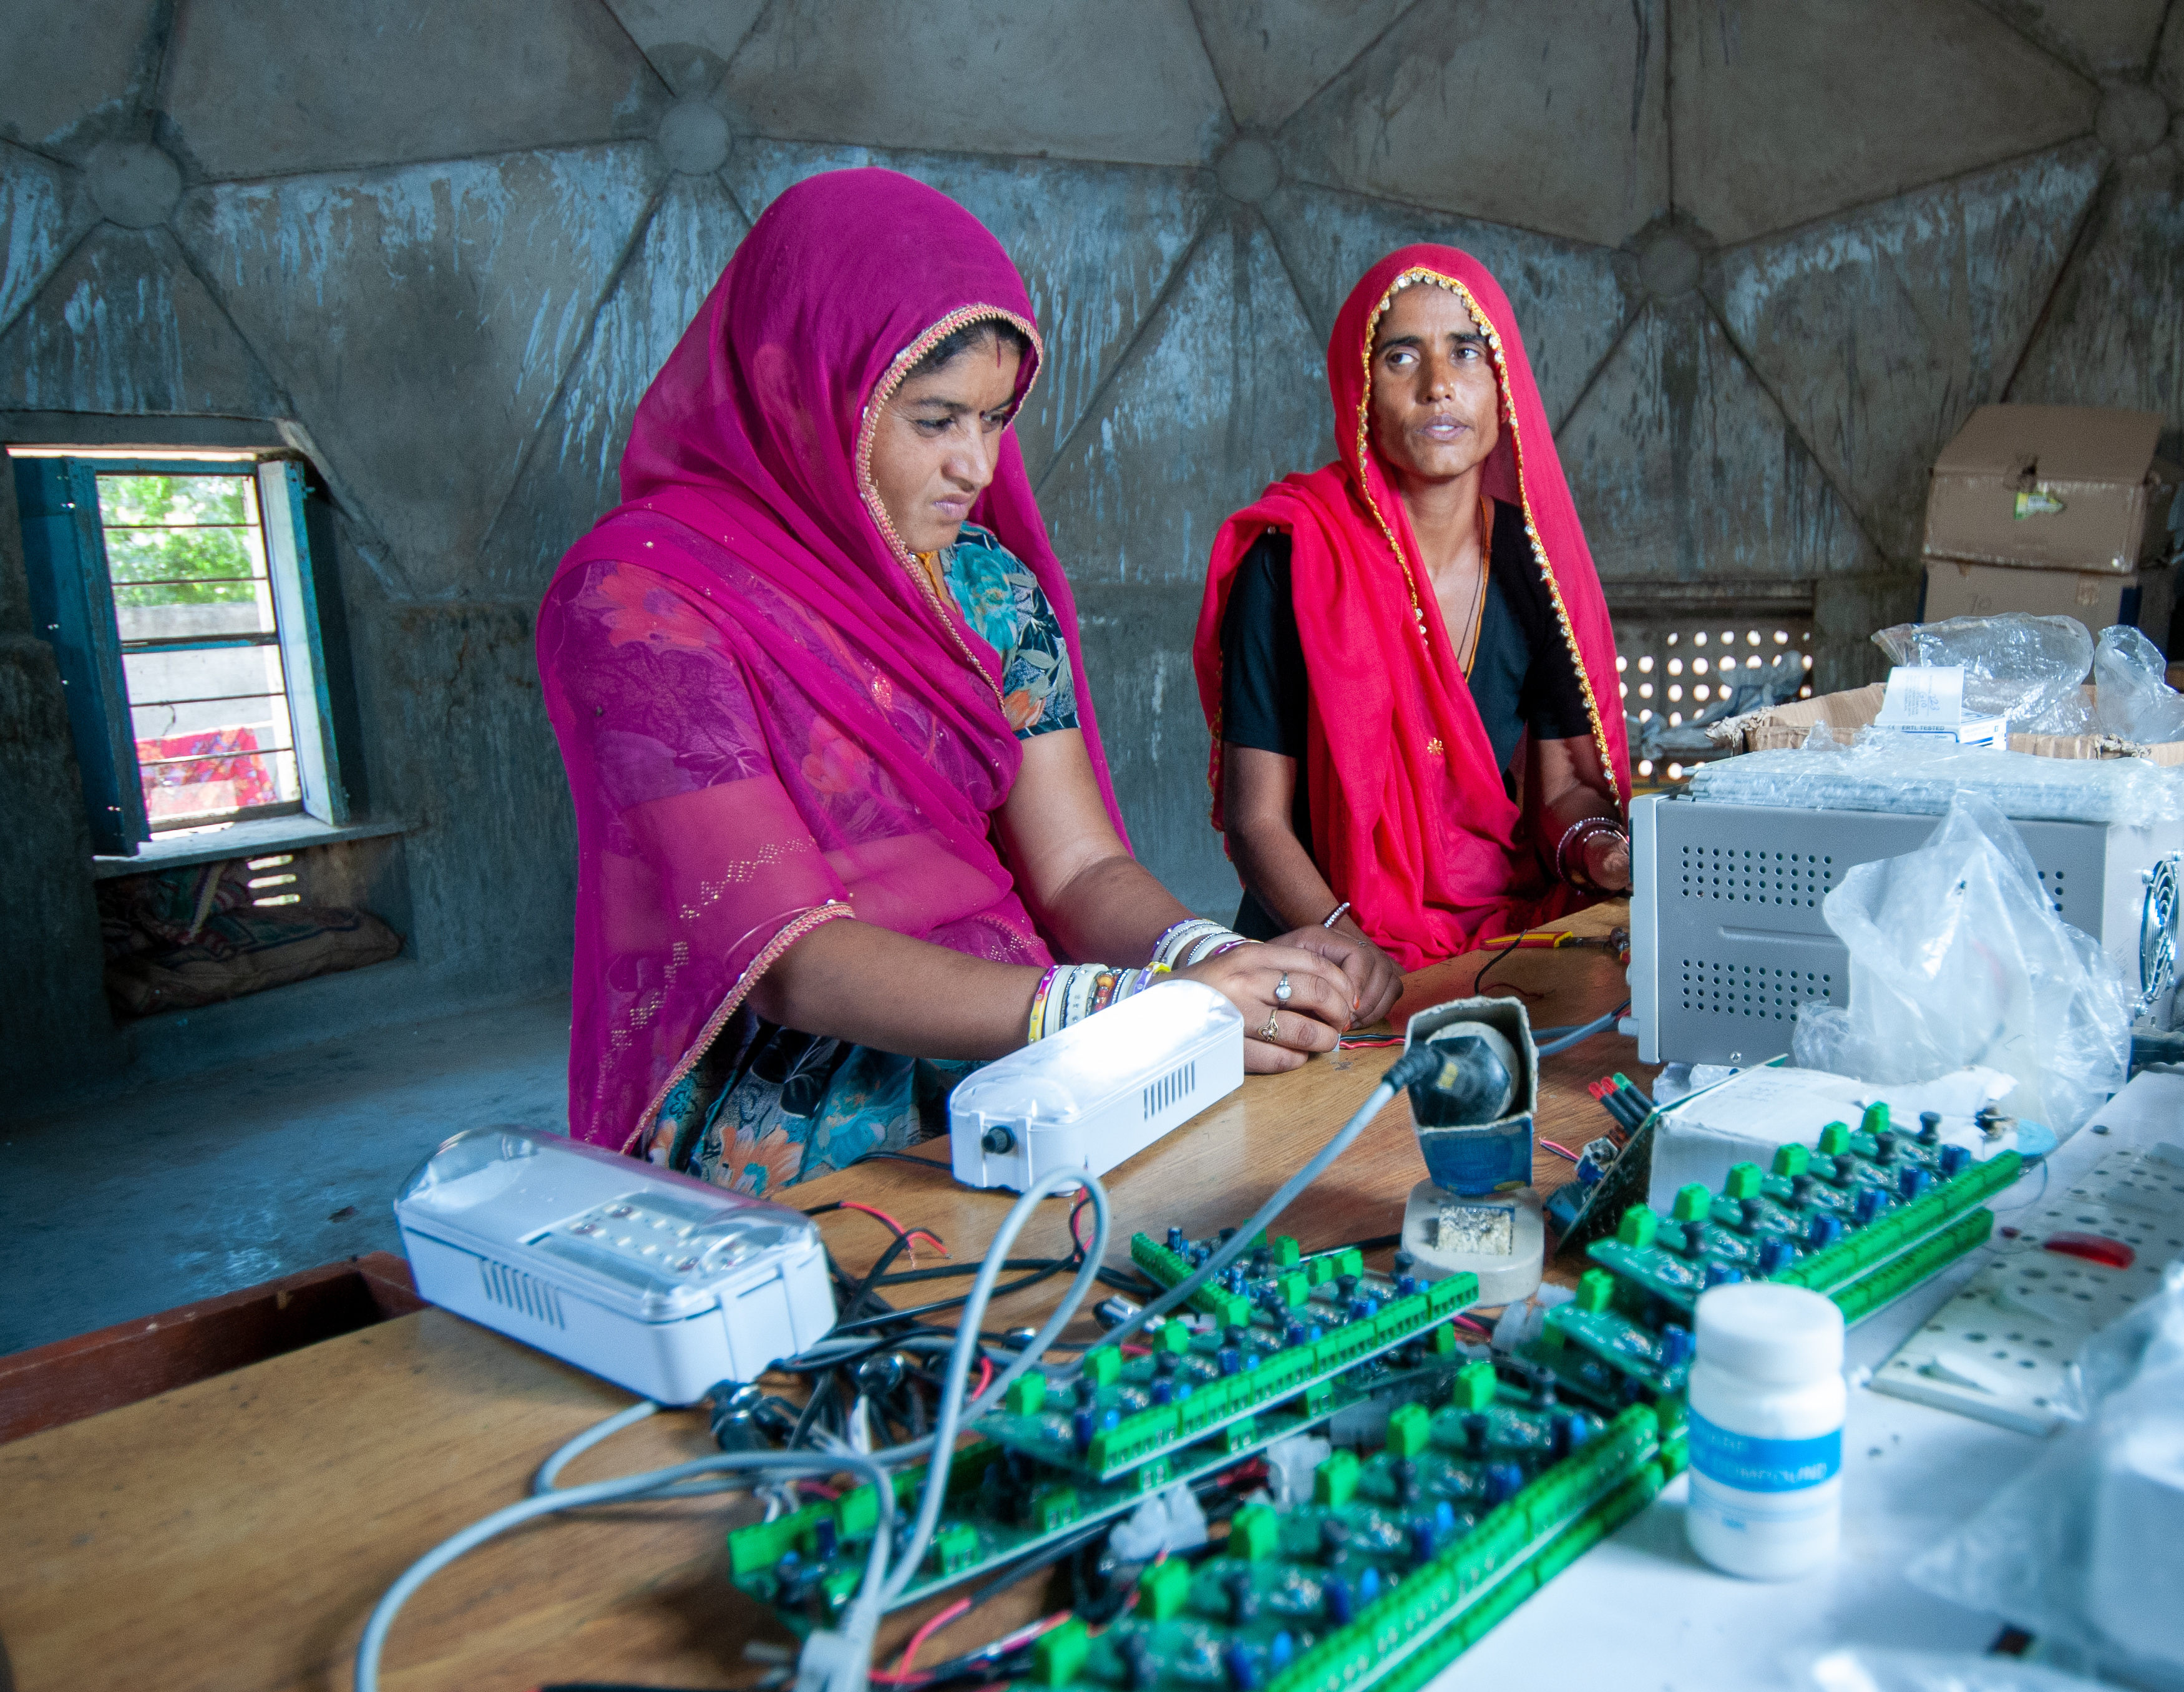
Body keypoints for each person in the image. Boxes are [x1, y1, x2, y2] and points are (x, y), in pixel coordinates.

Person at [537, 169, 1375, 1194]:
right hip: (795, 1101)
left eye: (994, 419)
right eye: (935, 420)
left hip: (1033, 1038)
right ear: (795, 387)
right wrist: (1129, 1008)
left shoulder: (985, 588)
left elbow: (1073, 870)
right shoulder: (640, 605)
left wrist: (1205, 958)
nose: (976, 465)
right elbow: (793, 959)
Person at [1194, 245, 1631, 1009]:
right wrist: (1344, 940)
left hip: (1494, 948)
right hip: (1322, 952)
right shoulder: (1293, 554)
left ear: (1504, 384)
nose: (1438, 386)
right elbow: (1255, 818)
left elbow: (1563, 790)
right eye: (1401, 357)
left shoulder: (1535, 564)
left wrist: (1600, 851)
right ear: (1358, 388)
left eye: (1466, 351)